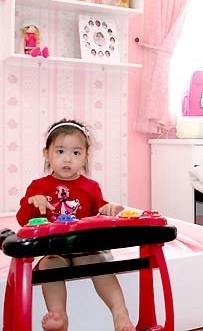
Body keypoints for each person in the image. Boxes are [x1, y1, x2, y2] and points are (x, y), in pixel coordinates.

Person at [16, 119, 136, 331]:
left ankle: (120, 312)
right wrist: (33, 204)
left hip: (85, 249)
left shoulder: (90, 186)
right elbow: (23, 221)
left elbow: (101, 210)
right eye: (60, 151)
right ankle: (59, 316)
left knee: (99, 260)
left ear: (86, 157)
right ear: (47, 154)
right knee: (48, 265)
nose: (67, 159)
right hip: (54, 250)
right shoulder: (38, 187)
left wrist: (108, 209)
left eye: (76, 153)